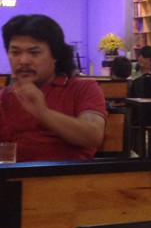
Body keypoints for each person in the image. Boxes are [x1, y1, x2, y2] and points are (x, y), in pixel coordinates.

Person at [0, 14, 106, 161]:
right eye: (15, 53)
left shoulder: (83, 88)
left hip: (67, 174)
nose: (23, 61)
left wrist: (43, 113)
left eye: (34, 52)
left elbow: (93, 136)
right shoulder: (4, 97)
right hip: (13, 173)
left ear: (55, 55)